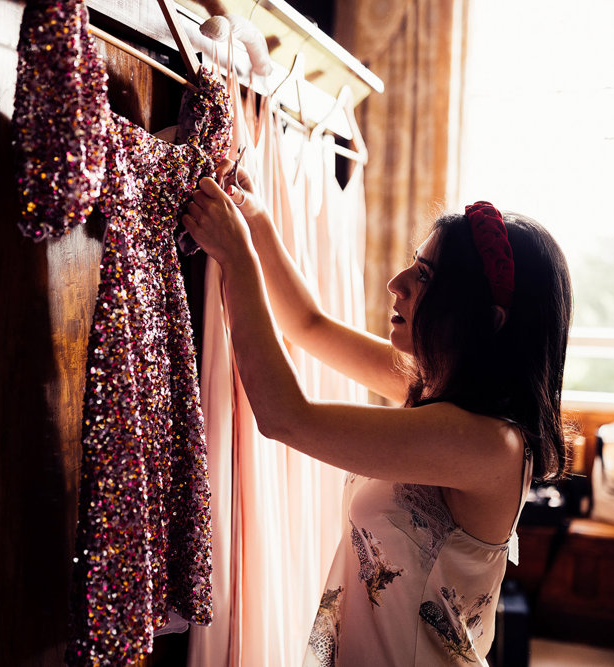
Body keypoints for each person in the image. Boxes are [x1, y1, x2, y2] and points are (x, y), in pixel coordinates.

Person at [181, 161, 573, 665]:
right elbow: (309, 325)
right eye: (415, 264)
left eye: (425, 277)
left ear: (485, 320)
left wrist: (237, 257)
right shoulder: (430, 390)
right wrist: (255, 222)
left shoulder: (487, 443)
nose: (397, 282)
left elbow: (284, 416)